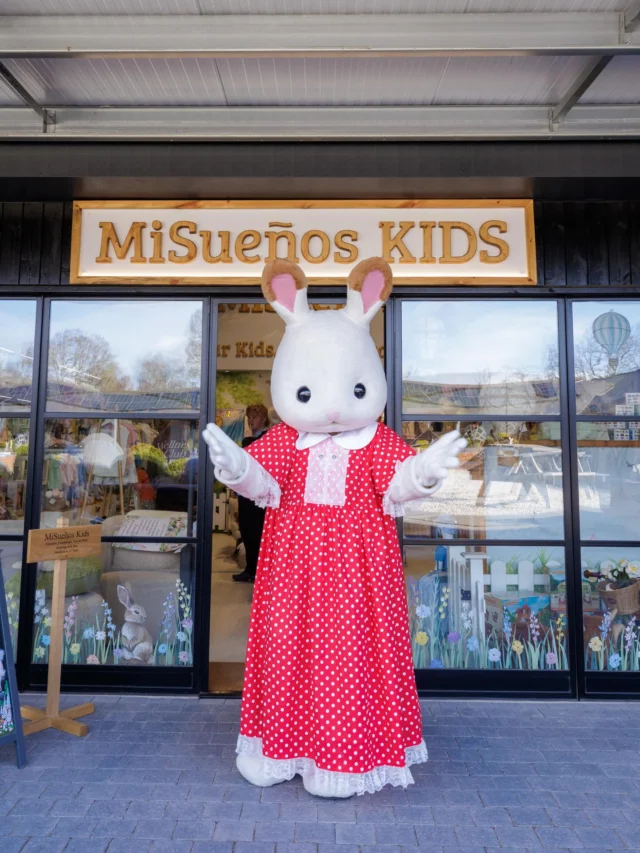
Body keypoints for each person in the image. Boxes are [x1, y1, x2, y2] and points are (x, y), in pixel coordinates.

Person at [232, 403, 270, 583]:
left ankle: (258, 570)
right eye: (249, 417)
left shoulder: (267, 438)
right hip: (246, 493)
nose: (251, 421)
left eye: (254, 417)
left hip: (259, 494)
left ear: (263, 418)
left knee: (258, 532)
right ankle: (250, 568)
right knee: (247, 530)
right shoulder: (250, 439)